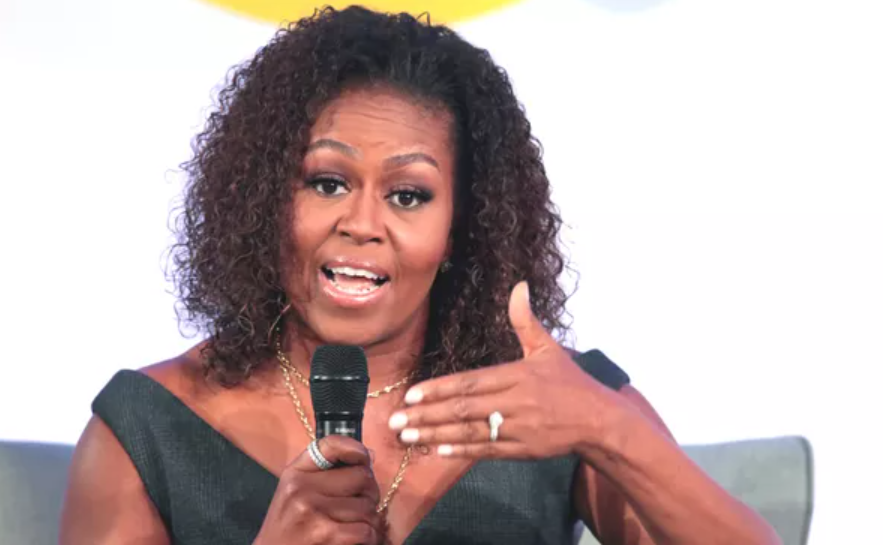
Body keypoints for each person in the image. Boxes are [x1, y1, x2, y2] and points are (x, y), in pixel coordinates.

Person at [59, 6, 780, 545]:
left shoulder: (555, 404)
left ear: (461, 226)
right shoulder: (148, 429)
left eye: (408, 195)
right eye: (327, 183)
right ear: (263, 200)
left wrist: (605, 428)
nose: (362, 223)